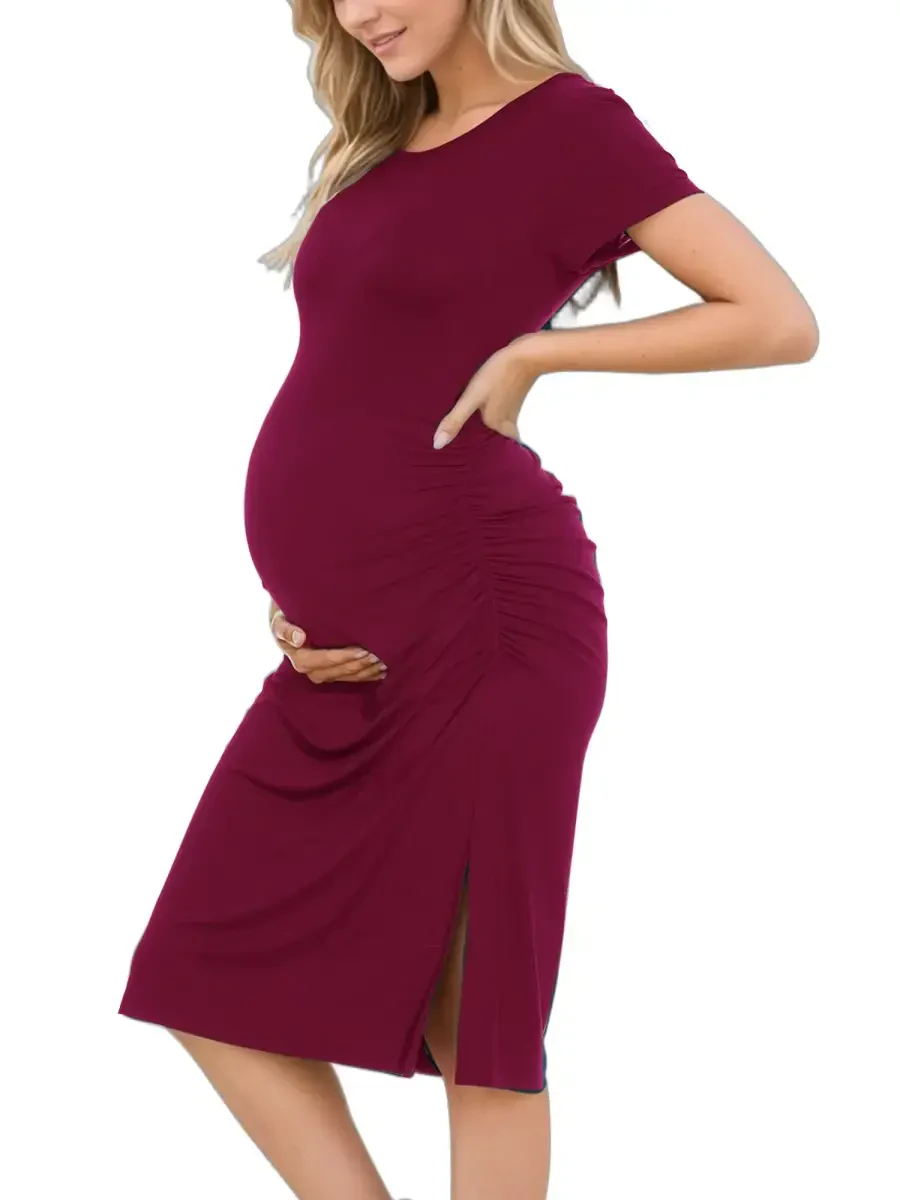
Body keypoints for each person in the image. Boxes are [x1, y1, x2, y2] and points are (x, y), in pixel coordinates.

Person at [116, 2, 819, 1198]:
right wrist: (306, 589)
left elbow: (778, 318)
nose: (360, 13)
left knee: (475, 1009)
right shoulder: (384, 145)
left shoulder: (573, 126)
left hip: (487, 620)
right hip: (350, 647)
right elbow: (353, 379)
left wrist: (537, 353)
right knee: (200, 966)